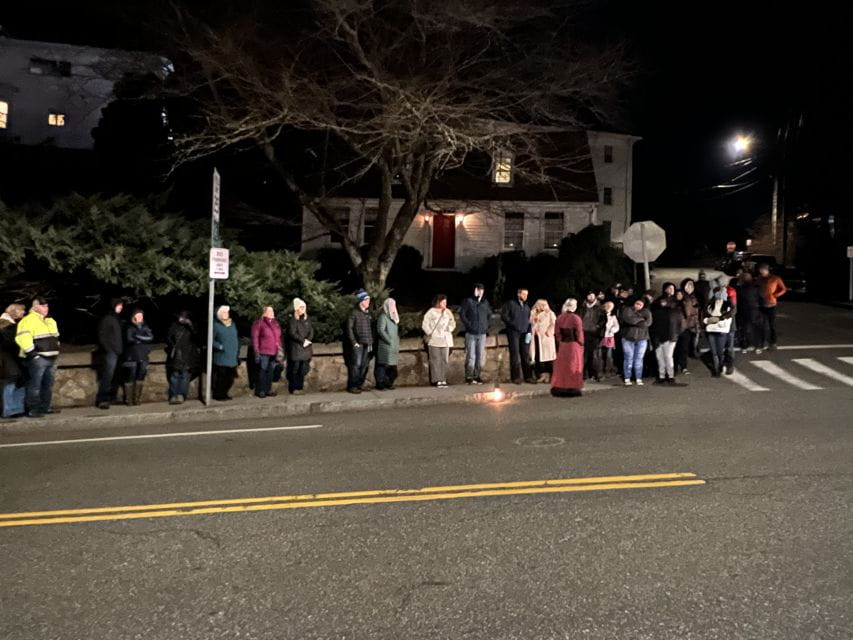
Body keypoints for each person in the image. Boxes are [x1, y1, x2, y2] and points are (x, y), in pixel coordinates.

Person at [15, 297, 60, 417]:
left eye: (47, 306)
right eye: (43, 306)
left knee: (47, 385)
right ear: (35, 307)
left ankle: (44, 407)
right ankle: (34, 409)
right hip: (38, 358)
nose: (46, 308)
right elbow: (22, 338)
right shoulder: (28, 321)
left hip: (50, 358)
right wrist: (33, 355)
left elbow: (55, 339)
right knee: (35, 385)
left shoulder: (50, 321)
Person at [550, 298, 584, 397]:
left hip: (563, 345)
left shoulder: (560, 317)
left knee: (562, 367)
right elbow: (579, 332)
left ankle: (560, 386)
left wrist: (560, 341)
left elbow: (557, 333)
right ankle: (573, 387)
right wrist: (581, 342)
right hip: (574, 345)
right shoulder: (576, 318)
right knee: (573, 366)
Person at [501, 288, 535, 384]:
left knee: (525, 355)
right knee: (515, 355)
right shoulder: (510, 304)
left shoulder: (527, 307)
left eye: (526, 295)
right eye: (524, 294)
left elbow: (529, 321)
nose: (525, 296)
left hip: (525, 333)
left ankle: (528, 376)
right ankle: (516, 377)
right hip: (514, 332)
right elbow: (504, 316)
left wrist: (529, 332)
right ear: (518, 294)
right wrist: (513, 324)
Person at [95, 298, 124, 409]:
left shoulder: (117, 319)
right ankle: (103, 399)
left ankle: (112, 397)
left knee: (115, 376)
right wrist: (108, 349)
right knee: (107, 376)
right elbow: (102, 336)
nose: (121, 307)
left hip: (118, 351)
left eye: (121, 305)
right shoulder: (107, 319)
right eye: (119, 305)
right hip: (111, 352)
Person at [459, 283, 491, 384]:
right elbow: (463, 314)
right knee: (471, 356)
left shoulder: (485, 302)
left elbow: (489, 315)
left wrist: (486, 326)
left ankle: (477, 375)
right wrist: (469, 325)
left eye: (482, 290)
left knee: (480, 355)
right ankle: (469, 376)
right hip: (471, 333)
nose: (480, 292)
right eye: (478, 289)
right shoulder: (468, 301)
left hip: (482, 333)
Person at [422, 294, 456, 388]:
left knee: (444, 360)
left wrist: (449, 328)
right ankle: (437, 380)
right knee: (435, 360)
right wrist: (430, 332)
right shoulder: (431, 312)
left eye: (446, 302)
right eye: (443, 302)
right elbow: (425, 324)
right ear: (438, 302)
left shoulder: (448, 312)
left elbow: (453, 322)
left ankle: (443, 378)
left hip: (445, 340)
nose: (445, 303)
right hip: (434, 340)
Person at [122, 308, 154, 406]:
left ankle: (137, 399)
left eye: (141, 315)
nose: (140, 317)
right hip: (131, 355)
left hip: (143, 355)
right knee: (130, 376)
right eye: (138, 315)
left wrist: (138, 337)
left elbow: (150, 338)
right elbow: (129, 339)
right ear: (134, 316)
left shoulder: (145, 327)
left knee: (140, 376)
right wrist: (141, 338)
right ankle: (129, 399)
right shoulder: (129, 327)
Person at [167, 310, 200, 404]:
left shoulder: (191, 327)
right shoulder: (174, 326)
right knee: (175, 376)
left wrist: (191, 325)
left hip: (188, 355)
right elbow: (169, 338)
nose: (183, 319)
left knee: (185, 376)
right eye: (181, 317)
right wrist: (172, 347)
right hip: (177, 354)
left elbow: (197, 338)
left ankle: (181, 395)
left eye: (185, 317)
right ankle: (173, 395)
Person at [0, 304, 26, 418]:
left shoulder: (8, 323)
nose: (23, 313)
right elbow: (10, 343)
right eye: (21, 310)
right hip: (7, 358)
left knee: (15, 381)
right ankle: (9, 410)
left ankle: (14, 409)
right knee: (10, 382)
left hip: (9, 358)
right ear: (14, 311)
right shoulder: (5, 324)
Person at [650, 294, 682, 384]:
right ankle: (662, 375)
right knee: (660, 357)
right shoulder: (656, 312)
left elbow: (679, 325)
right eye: (662, 301)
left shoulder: (675, 312)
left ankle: (669, 375)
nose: (663, 303)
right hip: (659, 337)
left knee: (667, 356)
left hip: (669, 337)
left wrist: (676, 334)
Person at [250, 306, 282, 398]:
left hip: (274, 351)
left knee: (270, 371)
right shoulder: (259, 323)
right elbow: (255, 337)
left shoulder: (275, 324)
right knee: (262, 371)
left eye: (273, 310)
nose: (272, 312)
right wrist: (256, 351)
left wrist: (280, 348)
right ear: (265, 313)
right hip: (263, 351)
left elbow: (278, 337)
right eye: (270, 311)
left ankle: (268, 389)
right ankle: (261, 390)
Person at [346, 290, 373, 394]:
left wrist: (371, 341)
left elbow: (369, 328)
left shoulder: (366, 313)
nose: (369, 302)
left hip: (367, 342)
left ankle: (359, 384)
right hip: (358, 343)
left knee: (364, 365)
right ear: (361, 301)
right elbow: (350, 328)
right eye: (367, 300)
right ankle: (353, 386)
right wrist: (354, 342)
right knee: (356, 365)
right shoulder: (354, 313)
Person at [620, 297, 652, 386]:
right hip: (628, 337)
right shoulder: (627, 310)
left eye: (640, 304)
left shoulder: (647, 312)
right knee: (628, 358)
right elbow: (628, 319)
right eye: (637, 303)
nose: (638, 306)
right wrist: (641, 319)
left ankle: (638, 377)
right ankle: (627, 377)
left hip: (642, 338)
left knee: (639, 359)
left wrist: (636, 321)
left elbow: (648, 323)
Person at [703, 287, 735, 376]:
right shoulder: (710, 306)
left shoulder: (728, 307)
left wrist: (714, 320)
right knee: (714, 353)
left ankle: (721, 366)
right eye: (717, 298)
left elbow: (726, 321)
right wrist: (714, 320)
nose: (719, 300)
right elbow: (706, 319)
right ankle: (717, 370)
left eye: (721, 298)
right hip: (711, 332)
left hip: (721, 333)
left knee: (720, 352)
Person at [285, 298, 313, 395]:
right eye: (301, 307)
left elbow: (311, 331)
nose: (303, 309)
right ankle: (294, 388)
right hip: (296, 348)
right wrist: (302, 340)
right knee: (295, 369)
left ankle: (300, 387)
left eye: (304, 307)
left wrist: (308, 340)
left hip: (306, 348)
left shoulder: (307, 319)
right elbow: (292, 333)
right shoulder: (293, 320)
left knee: (303, 369)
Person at [757, 263, 787, 350]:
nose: (761, 272)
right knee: (762, 325)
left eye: (762, 270)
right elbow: (756, 287)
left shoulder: (775, 278)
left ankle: (773, 342)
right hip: (761, 304)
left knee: (772, 325)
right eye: (760, 270)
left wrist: (776, 295)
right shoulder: (759, 279)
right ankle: (762, 343)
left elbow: (784, 289)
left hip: (771, 304)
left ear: (766, 270)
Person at [212, 305, 239, 401]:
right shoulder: (215, 325)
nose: (226, 314)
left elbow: (235, 338)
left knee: (230, 378)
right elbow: (211, 340)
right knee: (221, 378)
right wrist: (219, 346)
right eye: (223, 312)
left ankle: (225, 393)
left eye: (227, 312)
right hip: (221, 356)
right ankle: (219, 394)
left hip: (232, 355)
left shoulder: (232, 324)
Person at [675, 278, 701, 374]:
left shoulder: (694, 297)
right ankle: (676, 366)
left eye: (691, 285)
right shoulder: (682, 298)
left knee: (684, 348)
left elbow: (697, 313)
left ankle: (683, 366)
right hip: (680, 327)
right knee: (678, 348)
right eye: (687, 285)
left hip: (689, 327)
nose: (690, 287)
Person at [375, 297, 400, 391]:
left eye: (394, 305)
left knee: (392, 368)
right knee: (383, 365)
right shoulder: (383, 317)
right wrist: (389, 340)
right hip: (386, 346)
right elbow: (380, 330)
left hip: (393, 346)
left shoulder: (394, 318)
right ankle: (380, 383)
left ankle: (388, 383)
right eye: (391, 305)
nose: (393, 307)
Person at [579, 291, 605, 381]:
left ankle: (597, 373)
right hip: (584, 333)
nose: (590, 296)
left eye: (592, 295)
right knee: (584, 355)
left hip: (594, 334)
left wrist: (597, 328)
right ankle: (584, 374)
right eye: (588, 295)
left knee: (595, 355)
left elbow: (603, 321)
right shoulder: (582, 307)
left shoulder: (600, 308)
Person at [529, 299, 557, 383]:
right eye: (540, 304)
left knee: (548, 358)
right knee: (538, 357)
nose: (542, 306)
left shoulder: (550, 313)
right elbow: (531, 323)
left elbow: (554, 323)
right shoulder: (533, 313)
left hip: (546, 338)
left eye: (544, 304)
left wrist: (549, 332)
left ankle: (549, 376)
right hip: (536, 337)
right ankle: (541, 375)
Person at [735, 271, 762, 353]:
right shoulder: (756, 288)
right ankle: (757, 346)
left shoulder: (740, 289)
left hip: (743, 311)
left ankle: (744, 346)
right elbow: (760, 298)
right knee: (756, 329)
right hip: (754, 310)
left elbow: (737, 301)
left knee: (744, 329)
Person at [599, 301, 620, 377]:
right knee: (600, 354)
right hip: (601, 336)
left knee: (609, 355)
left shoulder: (613, 316)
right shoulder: (600, 315)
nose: (608, 307)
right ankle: (600, 370)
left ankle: (608, 370)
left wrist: (612, 330)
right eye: (607, 305)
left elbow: (617, 326)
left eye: (610, 306)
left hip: (609, 336)